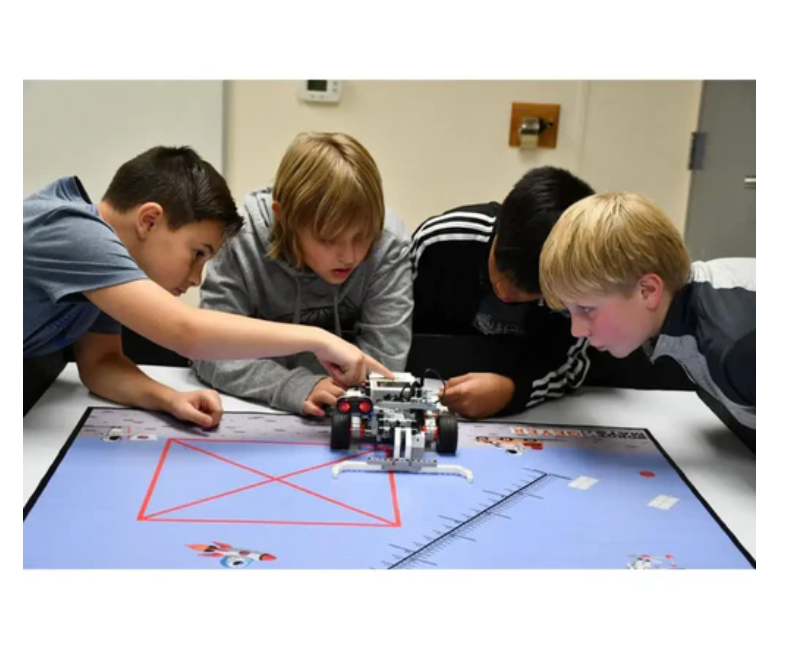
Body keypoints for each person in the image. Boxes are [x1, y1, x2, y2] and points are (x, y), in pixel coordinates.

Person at [23, 145, 392, 428]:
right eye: (197, 253)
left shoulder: (101, 271)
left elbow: (100, 364)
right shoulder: (72, 232)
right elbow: (187, 332)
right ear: (149, 220)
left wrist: (169, 399)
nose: (197, 278)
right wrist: (317, 338)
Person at [192, 132, 413, 416]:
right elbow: (210, 352)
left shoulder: (388, 242)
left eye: (363, 236)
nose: (350, 256)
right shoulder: (240, 240)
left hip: (345, 415)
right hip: (258, 411)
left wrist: (341, 394)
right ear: (284, 217)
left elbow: (384, 367)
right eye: (328, 239)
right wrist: (293, 386)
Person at [538, 191, 755, 430]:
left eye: (587, 308)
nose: (577, 330)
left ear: (648, 291)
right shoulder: (692, 313)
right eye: (569, 311)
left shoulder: (737, 345)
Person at [410, 165, 595, 419]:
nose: (504, 291)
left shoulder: (574, 282)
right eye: (501, 269)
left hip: (536, 410)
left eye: (530, 290)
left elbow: (572, 367)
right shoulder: (440, 242)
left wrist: (512, 391)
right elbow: (393, 330)